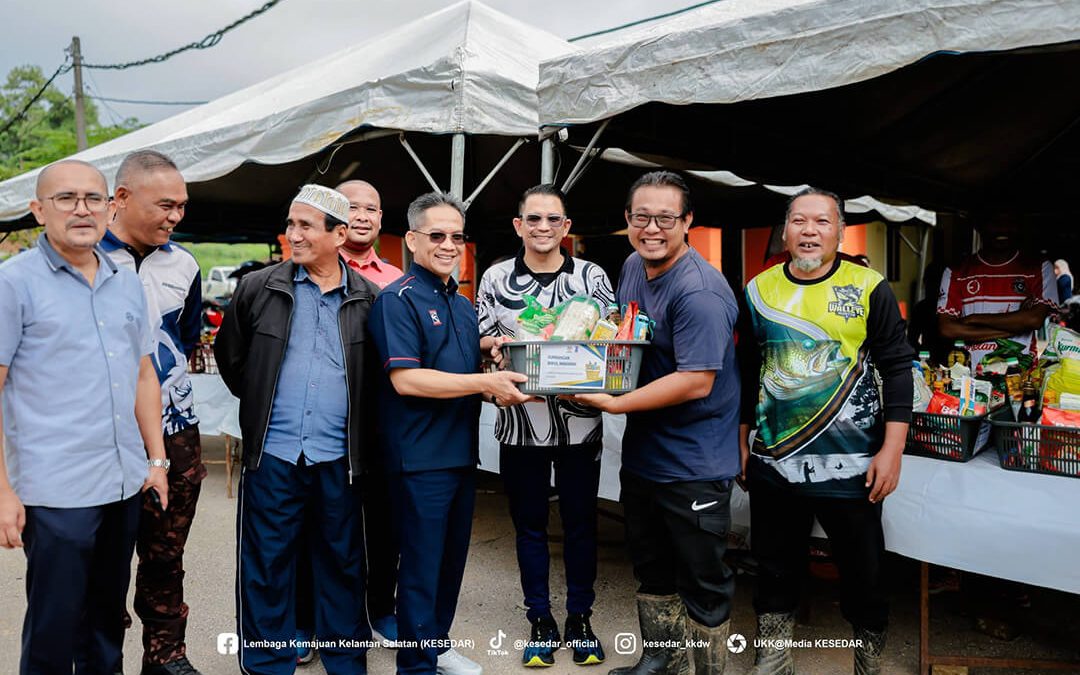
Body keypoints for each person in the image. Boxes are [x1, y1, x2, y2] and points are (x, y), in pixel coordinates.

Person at [0, 159, 169, 674]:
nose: (82, 209)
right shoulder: (13, 283)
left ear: (110, 205)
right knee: (55, 628)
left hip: (120, 484)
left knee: (104, 627)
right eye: (66, 198)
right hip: (56, 492)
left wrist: (157, 460)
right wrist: (3, 490)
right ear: (38, 211)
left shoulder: (124, 279)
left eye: (93, 198)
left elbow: (144, 374)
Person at [738, 187, 913, 675]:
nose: (809, 231)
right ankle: (773, 660)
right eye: (799, 221)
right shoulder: (758, 289)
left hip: (855, 465)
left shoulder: (868, 286)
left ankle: (868, 661)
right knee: (773, 565)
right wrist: (742, 439)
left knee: (866, 572)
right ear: (785, 229)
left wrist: (892, 450)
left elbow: (898, 368)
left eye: (821, 222)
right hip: (775, 460)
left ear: (839, 230)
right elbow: (747, 367)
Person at [571, 171, 740, 675]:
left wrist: (617, 404)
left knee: (703, 578)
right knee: (651, 566)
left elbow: (696, 381)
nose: (652, 228)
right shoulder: (631, 265)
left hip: (694, 459)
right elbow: (628, 340)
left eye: (666, 218)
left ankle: (708, 670)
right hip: (646, 451)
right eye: (641, 217)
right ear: (626, 220)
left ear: (687, 221)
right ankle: (662, 662)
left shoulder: (700, 292)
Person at [215, 184, 379, 674]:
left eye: (305, 225)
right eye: (291, 224)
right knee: (266, 566)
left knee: (343, 567)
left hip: (340, 459)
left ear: (339, 234)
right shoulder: (257, 288)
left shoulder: (370, 299)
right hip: (274, 454)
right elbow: (232, 358)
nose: (293, 234)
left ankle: (346, 664)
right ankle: (268, 666)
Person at [368, 192, 533, 675]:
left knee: (448, 568)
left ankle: (433, 650)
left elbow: (457, 376)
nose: (448, 245)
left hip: (460, 454)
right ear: (412, 240)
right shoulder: (395, 301)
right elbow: (407, 379)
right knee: (419, 573)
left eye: (456, 236)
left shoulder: (461, 305)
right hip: (417, 459)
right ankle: (416, 666)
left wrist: (496, 376)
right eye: (436, 235)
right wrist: (485, 381)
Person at [476, 184, 614, 667]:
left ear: (566, 227)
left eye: (552, 219)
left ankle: (581, 617)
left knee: (580, 524)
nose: (542, 228)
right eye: (533, 219)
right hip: (520, 423)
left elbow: (611, 335)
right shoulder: (495, 277)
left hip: (580, 423)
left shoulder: (591, 276)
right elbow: (478, 334)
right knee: (529, 525)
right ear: (519, 225)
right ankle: (540, 618)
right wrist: (498, 342)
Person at [102, 149, 206, 675]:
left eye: (182, 207)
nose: (175, 217)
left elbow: (183, 341)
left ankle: (166, 654)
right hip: (104, 434)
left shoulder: (184, 263)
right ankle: (102, 657)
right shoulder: (85, 258)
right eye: (165, 205)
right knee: (103, 559)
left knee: (166, 552)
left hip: (175, 430)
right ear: (121, 198)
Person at [937, 213, 1058, 366]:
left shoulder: (1039, 268)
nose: (1002, 229)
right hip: (969, 378)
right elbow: (947, 329)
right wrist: (1015, 327)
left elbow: (1034, 320)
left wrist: (974, 318)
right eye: (994, 222)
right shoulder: (956, 271)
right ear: (979, 226)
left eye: (1010, 222)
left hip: (1019, 377)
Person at [337, 179, 404, 288]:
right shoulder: (317, 270)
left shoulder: (396, 278)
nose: (362, 217)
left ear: (380, 217)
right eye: (352, 208)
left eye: (371, 210)